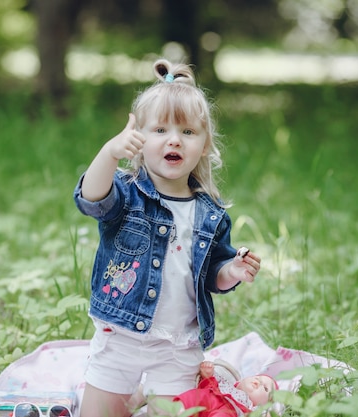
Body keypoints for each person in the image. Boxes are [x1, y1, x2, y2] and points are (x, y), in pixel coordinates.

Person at [73, 58, 262, 417]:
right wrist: (109, 153)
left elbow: (212, 275)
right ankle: (132, 397)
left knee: (176, 413)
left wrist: (232, 270)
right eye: (160, 130)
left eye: (188, 132)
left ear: (204, 145)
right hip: (121, 336)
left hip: (178, 344)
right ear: (140, 140)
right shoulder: (128, 196)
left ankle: (144, 397)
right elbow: (91, 198)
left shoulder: (210, 213)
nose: (174, 139)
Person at [173, 360, 278, 417]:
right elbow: (212, 381)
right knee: (196, 395)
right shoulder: (228, 382)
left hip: (229, 411)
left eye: (265, 388)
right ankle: (179, 410)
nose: (257, 383)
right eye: (257, 378)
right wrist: (208, 373)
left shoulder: (252, 408)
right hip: (212, 396)